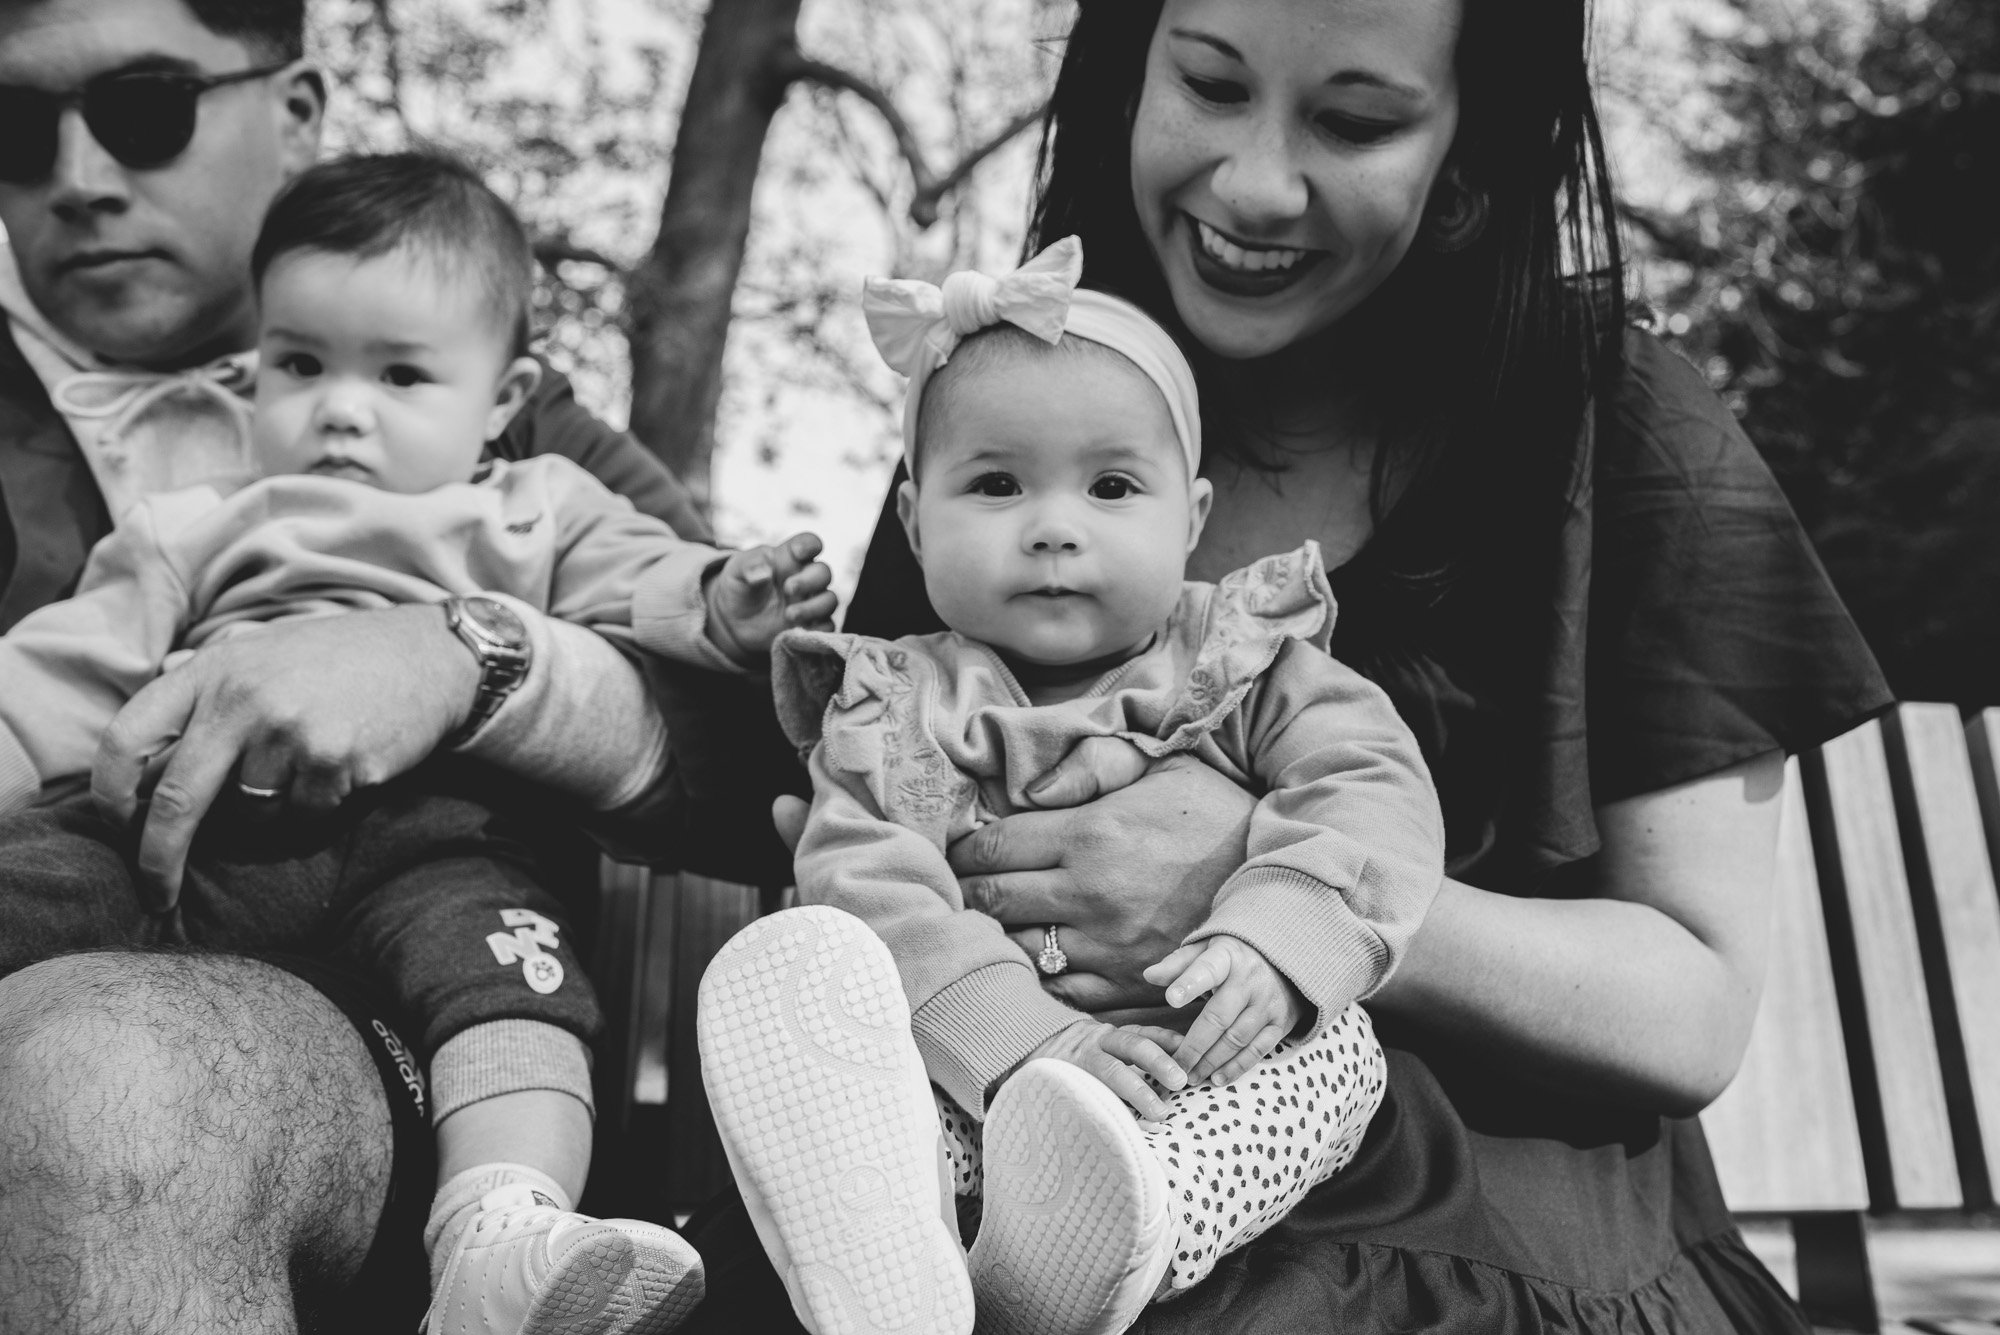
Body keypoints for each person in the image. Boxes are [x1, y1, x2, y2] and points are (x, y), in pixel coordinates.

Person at [681, 0, 1895, 1331]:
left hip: (1478, 1219)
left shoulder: (1624, 427)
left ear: (1467, 146)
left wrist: (1270, 884)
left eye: (1356, 120)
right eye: (1209, 84)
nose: (1257, 183)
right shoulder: (1019, 408)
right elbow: (864, 782)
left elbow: (1694, 1007)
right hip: (1000, 1097)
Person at [0, 150, 840, 1334]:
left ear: (502, 401)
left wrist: (724, 602)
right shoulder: (200, 525)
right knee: (35, 880)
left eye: (399, 374)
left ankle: (501, 1227)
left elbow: (645, 581)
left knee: (511, 991)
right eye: (300, 365)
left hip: (442, 837)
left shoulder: (538, 504)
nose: (340, 407)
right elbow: (54, 678)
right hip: (187, 838)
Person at [697, 237, 1441, 1335]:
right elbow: (874, 883)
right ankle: (883, 1241)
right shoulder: (898, 703)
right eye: (995, 484)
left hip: (1208, 1055)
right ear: (913, 522)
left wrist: (1280, 933)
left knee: (1342, 1056)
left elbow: (1364, 783)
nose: (1052, 524)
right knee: (873, 1046)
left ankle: (1112, 1242)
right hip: (983, 1073)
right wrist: (1026, 1048)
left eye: (1109, 485)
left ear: (1187, 520)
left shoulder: (1240, 660)